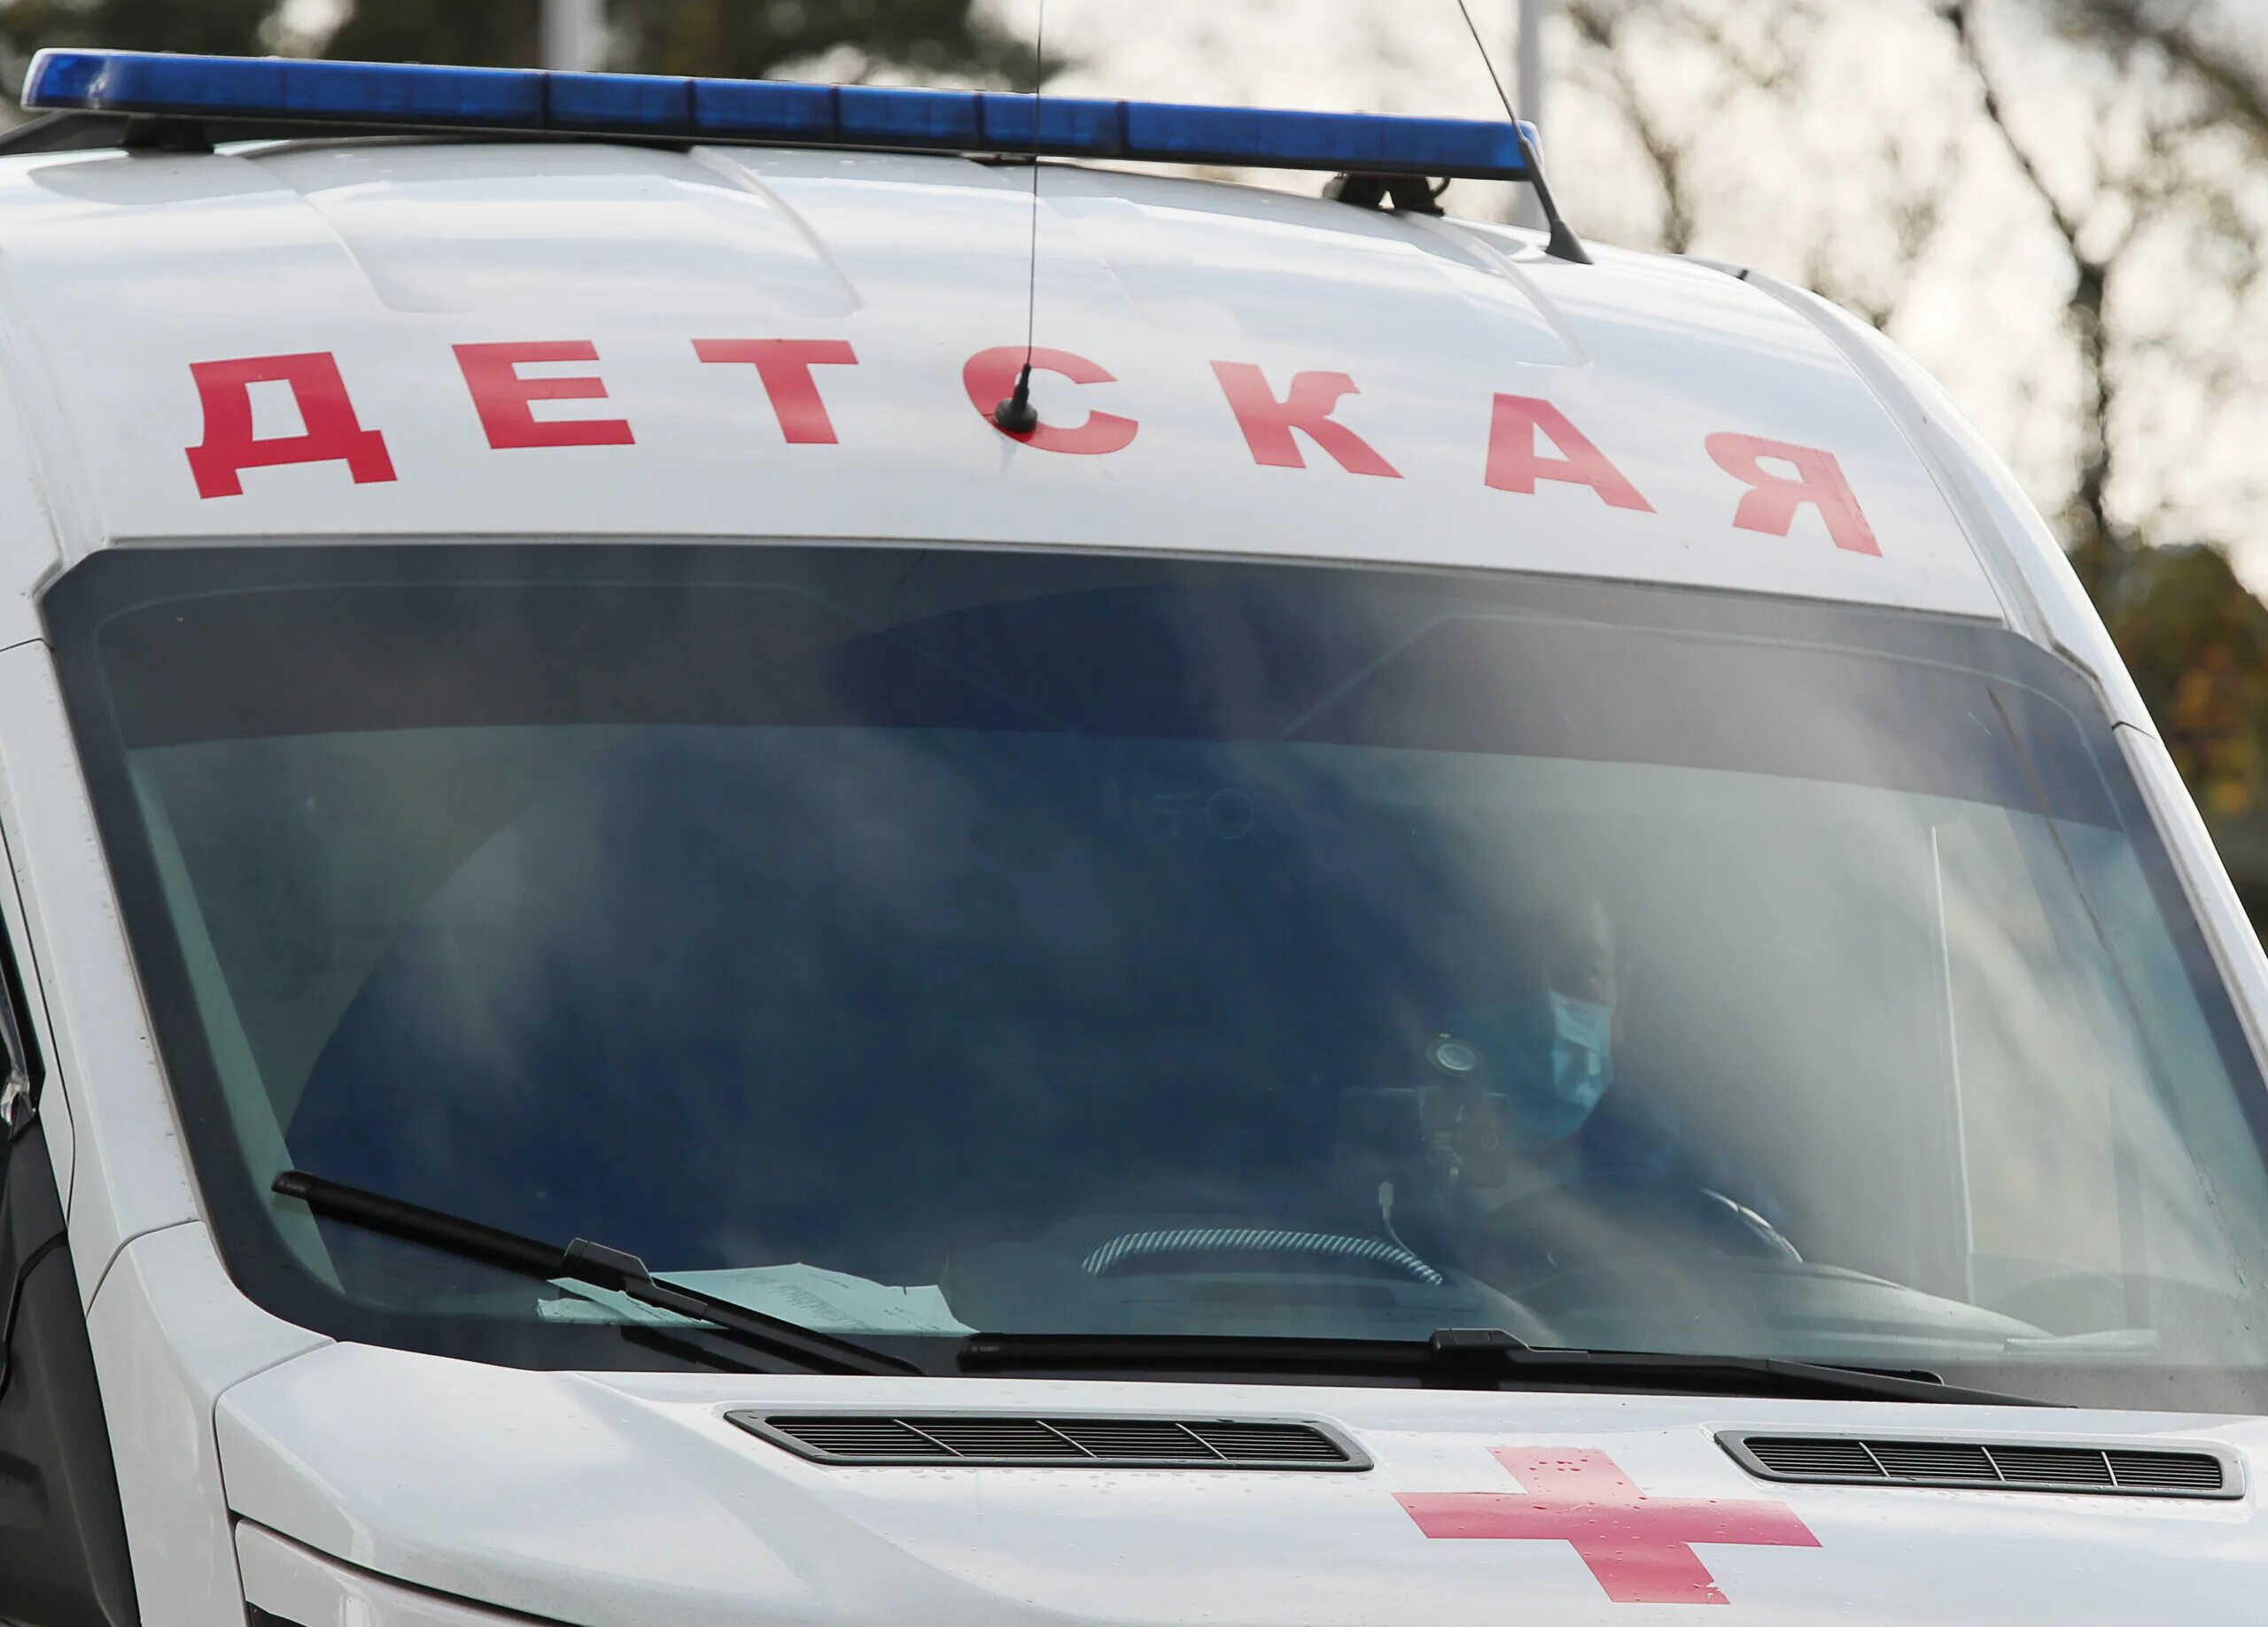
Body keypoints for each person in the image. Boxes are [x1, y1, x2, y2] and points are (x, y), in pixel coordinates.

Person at [1427, 887, 1792, 1278]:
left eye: (1582, 974)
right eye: (1510, 976)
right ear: (1458, 999)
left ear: (1621, 1003)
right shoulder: (1397, 1189)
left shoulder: (1696, 1175)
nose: (1546, 1012)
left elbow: (1792, 1282)